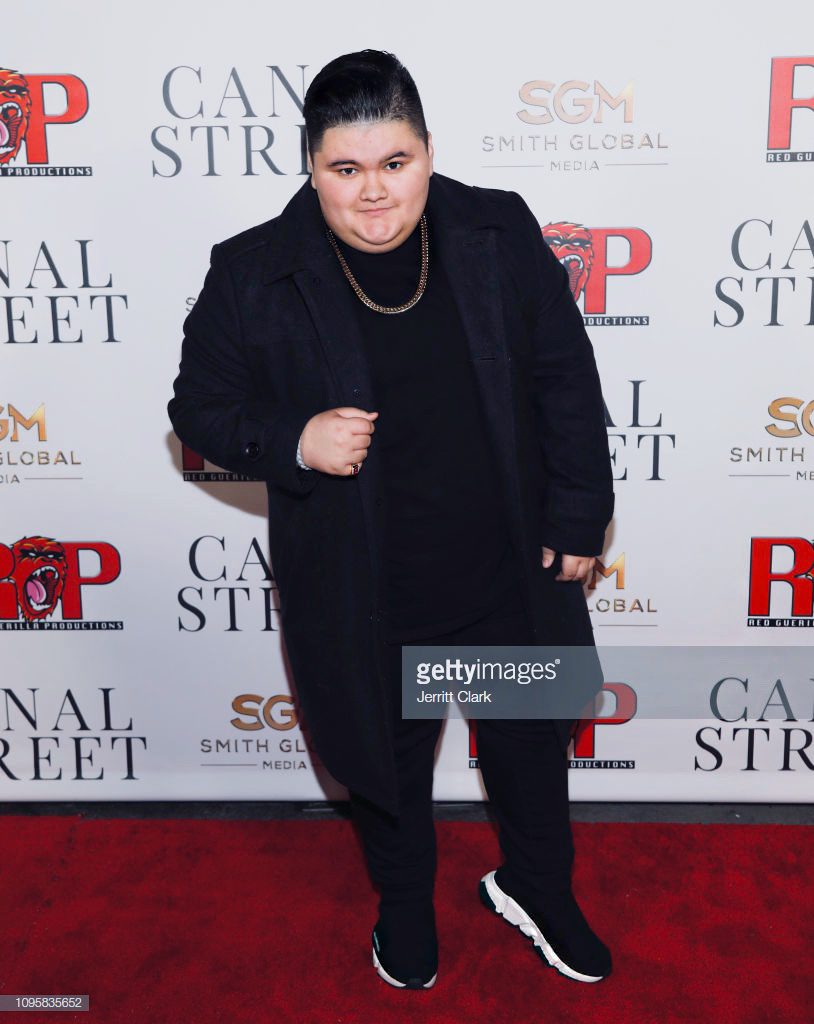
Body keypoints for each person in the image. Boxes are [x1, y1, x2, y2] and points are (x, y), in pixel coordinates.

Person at [167, 49, 615, 991]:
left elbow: (564, 377)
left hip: (503, 572)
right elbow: (198, 410)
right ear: (311, 167)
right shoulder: (253, 272)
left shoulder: (494, 229)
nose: (374, 191)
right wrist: (294, 439)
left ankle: (537, 888)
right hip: (367, 587)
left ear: (427, 152)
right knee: (389, 768)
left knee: (529, 750)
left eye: (395, 162)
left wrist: (579, 513)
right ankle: (404, 906)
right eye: (346, 168)